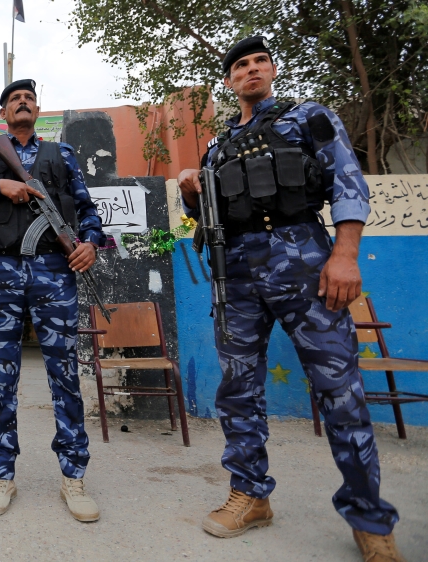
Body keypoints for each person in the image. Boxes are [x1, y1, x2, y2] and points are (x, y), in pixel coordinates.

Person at [177, 36, 403, 560]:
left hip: (304, 263)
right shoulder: (217, 145)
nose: (250, 70)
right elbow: (208, 216)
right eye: (239, 66)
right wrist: (192, 190)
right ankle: (250, 495)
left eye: (258, 61)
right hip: (234, 275)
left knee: (339, 389)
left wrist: (344, 254)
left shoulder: (308, 117)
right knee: (237, 390)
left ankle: (369, 518)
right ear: (230, 81)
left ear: (272, 70)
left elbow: (348, 181)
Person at [0, 78, 104, 522]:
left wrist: (91, 243)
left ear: (38, 110)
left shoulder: (62, 155)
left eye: (29, 98)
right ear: (4, 113)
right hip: (1, 274)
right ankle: (2, 474)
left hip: (55, 273)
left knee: (64, 377)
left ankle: (73, 475)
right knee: (1, 381)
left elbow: (88, 210)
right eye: (14, 99)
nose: (23, 102)